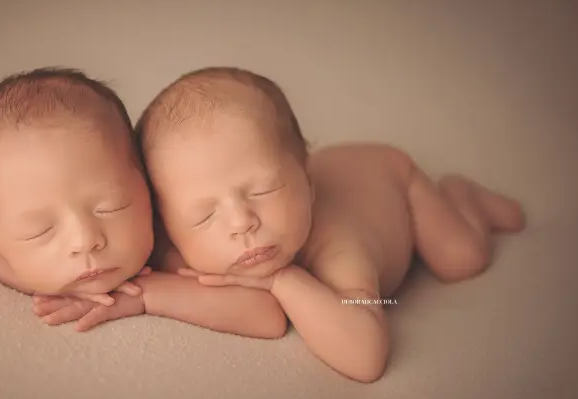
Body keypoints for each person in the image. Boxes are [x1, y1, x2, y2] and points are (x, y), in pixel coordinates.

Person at [135, 66, 526, 382]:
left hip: (391, 179)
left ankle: (461, 195)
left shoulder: (339, 251)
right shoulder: (190, 243)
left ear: (307, 180)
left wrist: (281, 280)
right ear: (170, 229)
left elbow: (366, 356)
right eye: (204, 215)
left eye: (264, 190)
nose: (241, 222)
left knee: (461, 258)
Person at [0, 67, 286, 338]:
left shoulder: (172, 240)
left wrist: (147, 297)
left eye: (110, 208)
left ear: (147, 188)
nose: (85, 240)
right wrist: (34, 278)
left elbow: (266, 314)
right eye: (38, 230)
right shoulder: (2, 226)